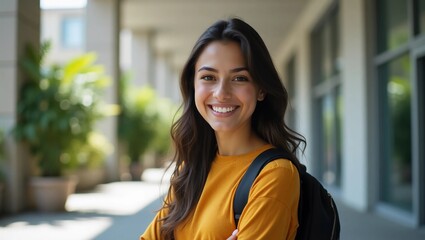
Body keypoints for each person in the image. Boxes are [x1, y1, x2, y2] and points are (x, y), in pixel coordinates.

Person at [140, 17, 305, 240]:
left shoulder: (274, 175)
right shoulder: (190, 169)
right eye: (208, 77)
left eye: (239, 78)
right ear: (193, 86)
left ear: (261, 89)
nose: (221, 93)